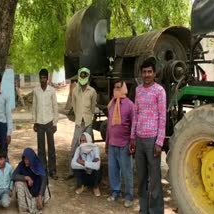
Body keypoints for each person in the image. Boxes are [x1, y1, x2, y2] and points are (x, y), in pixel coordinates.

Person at [130, 57, 166, 214]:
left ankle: (156, 210)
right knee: (142, 177)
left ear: (154, 73)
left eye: (149, 72)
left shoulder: (159, 91)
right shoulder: (138, 90)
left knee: (155, 179)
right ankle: (143, 209)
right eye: (144, 72)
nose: (146, 75)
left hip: (152, 141)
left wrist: (159, 142)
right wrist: (132, 138)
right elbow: (135, 115)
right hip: (139, 139)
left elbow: (162, 117)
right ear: (141, 74)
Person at [105, 80, 134, 208]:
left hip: (124, 144)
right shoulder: (111, 104)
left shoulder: (130, 105)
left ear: (124, 89)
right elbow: (109, 126)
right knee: (113, 170)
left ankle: (129, 196)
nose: (116, 89)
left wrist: (132, 142)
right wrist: (106, 142)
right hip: (112, 143)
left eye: (119, 87)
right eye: (114, 87)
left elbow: (134, 125)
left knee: (127, 171)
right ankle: (115, 192)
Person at [66, 67, 97, 180]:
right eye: (81, 75)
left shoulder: (92, 91)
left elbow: (93, 107)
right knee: (74, 145)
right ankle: (71, 171)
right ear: (79, 76)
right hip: (79, 123)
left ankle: (90, 170)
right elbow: (74, 106)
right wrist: (79, 116)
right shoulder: (75, 91)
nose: (83, 77)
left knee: (90, 146)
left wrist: (88, 116)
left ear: (88, 77)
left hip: (88, 122)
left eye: (85, 75)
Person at [32, 68, 59, 180]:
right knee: (41, 148)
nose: (42, 80)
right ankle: (42, 170)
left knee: (51, 148)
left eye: (44, 78)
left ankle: (52, 170)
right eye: (41, 78)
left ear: (47, 78)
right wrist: (34, 122)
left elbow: (55, 107)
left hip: (49, 122)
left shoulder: (51, 90)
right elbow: (34, 107)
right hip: (39, 123)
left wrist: (55, 123)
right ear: (39, 79)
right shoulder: (36, 90)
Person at [12, 148, 51, 213]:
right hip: (27, 192)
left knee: (38, 206)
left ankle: (38, 201)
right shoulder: (22, 165)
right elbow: (13, 176)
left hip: (38, 192)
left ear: (32, 159)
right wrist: (26, 178)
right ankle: (23, 209)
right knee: (18, 183)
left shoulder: (38, 164)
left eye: (28, 159)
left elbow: (44, 180)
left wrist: (40, 195)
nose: (26, 161)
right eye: (25, 159)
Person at [71, 132, 101, 197]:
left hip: (93, 174)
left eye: (84, 140)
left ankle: (95, 187)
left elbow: (97, 166)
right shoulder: (79, 148)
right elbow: (73, 164)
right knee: (76, 170)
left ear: (88, 140)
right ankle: (82, 186)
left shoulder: (95, 148)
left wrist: (83, 162)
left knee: (97, 170)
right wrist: (86, 166)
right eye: (81, 141)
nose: (82, 143)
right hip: (84, 173)